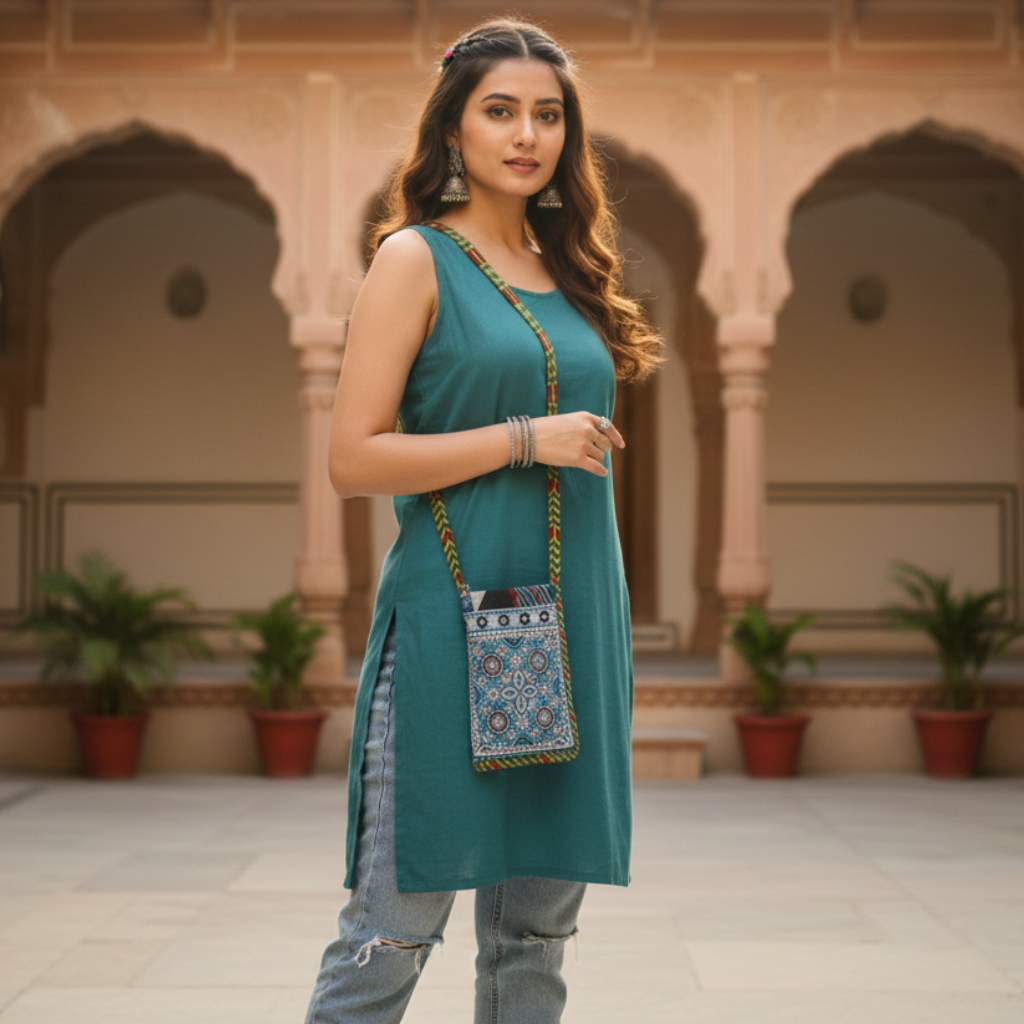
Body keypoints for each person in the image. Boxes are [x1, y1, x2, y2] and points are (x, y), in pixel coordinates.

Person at [304, 17, 662, 1024]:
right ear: (452, 130)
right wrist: (522, 439)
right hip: (451, 632)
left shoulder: (576, 269)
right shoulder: (415, 259)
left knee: (534, 945)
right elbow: (352, 457)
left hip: (572, 628)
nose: (525, 133)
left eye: (547, 114)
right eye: (498, 110)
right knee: (389, 933)